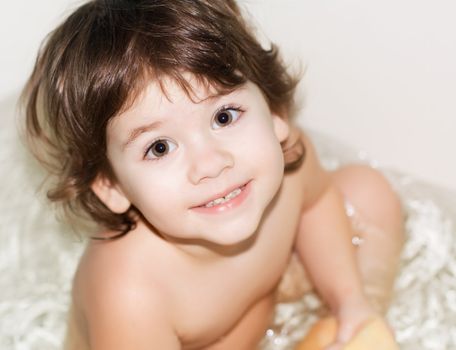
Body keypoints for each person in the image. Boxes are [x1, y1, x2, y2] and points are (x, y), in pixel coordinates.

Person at [21, 1, 404, 349]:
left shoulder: (287, 166)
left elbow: (318, 204)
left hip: (265, 296)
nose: (211, 164)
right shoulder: (131, 292)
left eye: (224, 117)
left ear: (276, 115)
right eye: (159, 147)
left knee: (366, 194)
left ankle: (360, 322)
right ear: (112, 185)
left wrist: (349, 298)